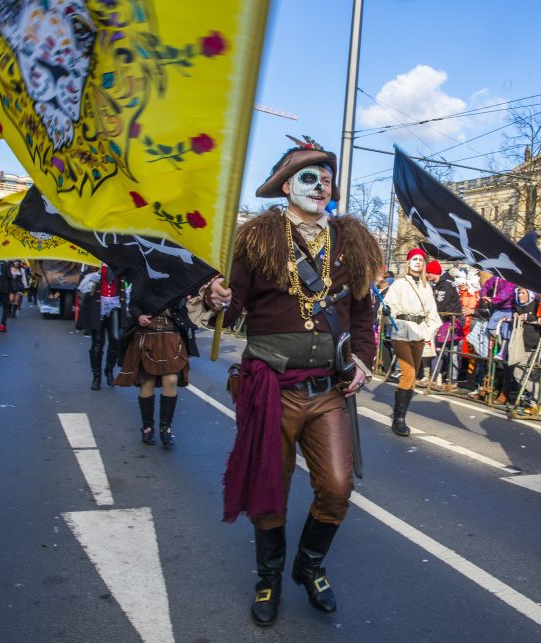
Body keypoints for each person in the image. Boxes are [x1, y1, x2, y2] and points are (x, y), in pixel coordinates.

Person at [205, 137, 380, 627]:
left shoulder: (353, 238)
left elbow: (363, 312)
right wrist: (215, 295)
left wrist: (363, 359)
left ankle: (310, 565)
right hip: (270, 386)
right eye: (309, 176)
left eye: (326, 176)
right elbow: (232, 305)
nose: (320, 184)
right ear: (285, 186)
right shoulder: (255, 235)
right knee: (270, 488)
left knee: (338, 487)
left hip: (327, 390)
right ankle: (270, 577)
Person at [114, 292, 191, 446]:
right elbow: (134, 304)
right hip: (147, 334)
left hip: (171, 337)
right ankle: (148, 427)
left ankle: (165, 428)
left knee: (171, 379)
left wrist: (185, 300)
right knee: (147, 381)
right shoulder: (143, 277)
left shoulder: (179, 280)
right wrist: (139, 317)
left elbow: (188, 307)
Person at [383, 247, 440, 436]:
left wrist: (428, 331)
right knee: (408, 373)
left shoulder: (426, 286)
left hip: (419, 333)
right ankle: (398, 419)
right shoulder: (399, 284)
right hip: (402, 330)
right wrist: (386, 312)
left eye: (421, 259)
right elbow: (388, 306)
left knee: (413, 376)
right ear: (408, 262)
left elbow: (432, 312)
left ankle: (401, 416)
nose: (418, 262)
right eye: (414, 259)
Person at [76, 265, 125, 390]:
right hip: (97, 306)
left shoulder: (121, 265)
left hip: (115, 305)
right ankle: (96, 377)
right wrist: (93, 278)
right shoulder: (94, 266)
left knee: (116, 338)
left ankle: (109, 370)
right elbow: (82, 288)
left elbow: (128, 286)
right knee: (97, 343)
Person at [424, 259, 460, 389]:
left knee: (450, 351)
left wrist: (430, 311)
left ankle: (453, 379)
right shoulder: (436, 286)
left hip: (450, 322)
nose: (427, 275)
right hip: (440, 321)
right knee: (437, 350)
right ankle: (434, 378)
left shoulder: (446, 286)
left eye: (429, 272)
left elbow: (441, 305)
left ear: (435, 273)